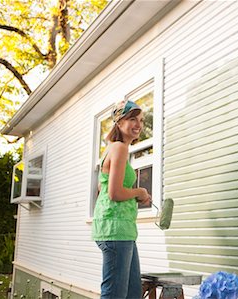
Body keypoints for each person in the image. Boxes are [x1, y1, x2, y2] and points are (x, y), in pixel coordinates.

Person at [92, 99, 152, 299]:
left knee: (133, 294)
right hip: (115, 231)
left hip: (122, 230)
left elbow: (102, 186)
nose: (138, 125)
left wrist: (133, 197)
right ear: (119, 122)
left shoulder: (112, 148)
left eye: (141, 120)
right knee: (114, 295)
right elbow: (114, 193)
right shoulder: (119, 147)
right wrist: (139, 192)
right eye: (132, 119)